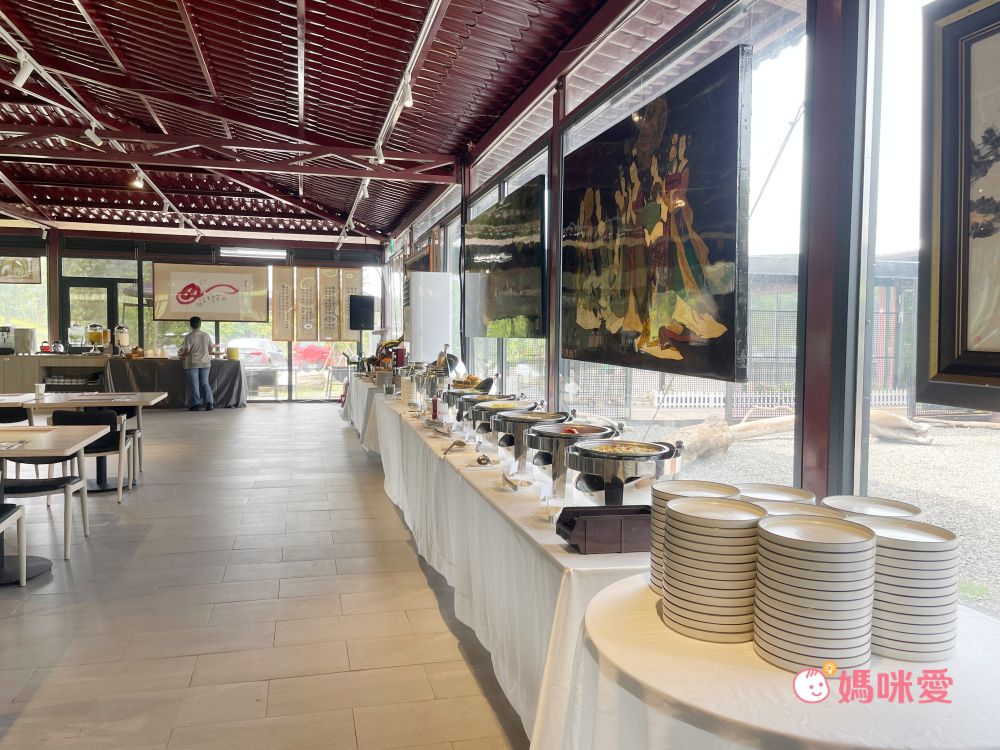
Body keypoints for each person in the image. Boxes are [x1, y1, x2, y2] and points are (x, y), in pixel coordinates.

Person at [179, 316, 214, 411]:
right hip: (205, 362)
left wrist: (181, 355)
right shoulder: (206, 335)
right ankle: (209, 403)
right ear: (200, 324)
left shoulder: (188, 336)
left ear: (191, 325)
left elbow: (187, 350)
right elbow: (211, 349)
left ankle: (196, 405)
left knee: (194, 384)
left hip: (192, 363)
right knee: (205, 383)